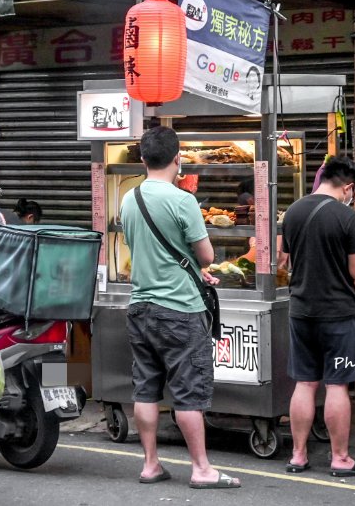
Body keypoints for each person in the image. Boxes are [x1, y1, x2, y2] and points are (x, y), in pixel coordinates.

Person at [119, 126, 240, 490]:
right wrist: (197, 264)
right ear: (178, 158)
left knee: (146, 389)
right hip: (179, 310)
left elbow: (134, 245)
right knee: (188, 392)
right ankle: (201, 468)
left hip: (140, 306)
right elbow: (205, 255)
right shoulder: (182, 199)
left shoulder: (128, 199)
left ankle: (151, 464)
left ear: (142, 159)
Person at [277, 155, 355, 477]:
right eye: (352, 192)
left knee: (304, 383)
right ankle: (340, 457)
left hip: (301, 310)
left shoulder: (294, 211)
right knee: (336, 386)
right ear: (348, 187)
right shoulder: (349, 219)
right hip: (338, 314)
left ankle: (298, 455)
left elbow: (282, 259)